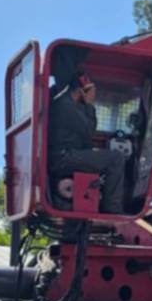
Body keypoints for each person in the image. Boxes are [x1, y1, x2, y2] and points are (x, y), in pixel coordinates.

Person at [47, 72, 128, 214]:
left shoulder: (67, 105)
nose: (93, 95)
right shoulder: (66, 107)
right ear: (81, 91)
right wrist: (90, 104)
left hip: (66, 155)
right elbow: (89, 130)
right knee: (116, 159)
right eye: (90, 92)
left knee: (102, 156)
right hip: (64, 157)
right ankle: (112, 210)